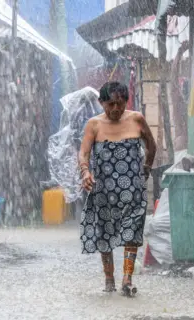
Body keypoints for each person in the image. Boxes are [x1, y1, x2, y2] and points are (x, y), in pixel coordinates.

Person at [79, 81, 157, 296]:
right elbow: (84, 152)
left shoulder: (136, 119)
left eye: (120, 104)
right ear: (101, 102)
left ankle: (127, 279)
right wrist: (86, 172)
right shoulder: (93, 125)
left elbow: (151, 145)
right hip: (103, 191)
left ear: (126, 102)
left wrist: (147, 167)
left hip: (133, 190)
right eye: (110, 104)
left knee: (132, 233)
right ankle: (109, 279)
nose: (115, 109)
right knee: (105, 234)